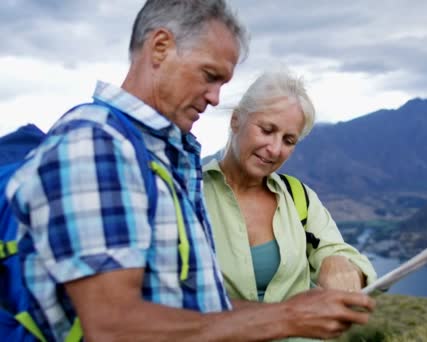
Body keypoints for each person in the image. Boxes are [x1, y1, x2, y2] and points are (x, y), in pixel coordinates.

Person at [6, 1, 374, 341]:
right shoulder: (97, 144)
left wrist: (292, 312)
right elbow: (113, 327)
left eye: (222, 84)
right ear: (161, 47)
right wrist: (288, 318)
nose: (214, 97)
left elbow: (200, 307)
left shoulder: (163, 157)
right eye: (209, 75)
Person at [203, 69, 377, 305]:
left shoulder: (298, 198)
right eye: (267, 130)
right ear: (236, 120)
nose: (275, 149)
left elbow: (335, 250)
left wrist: (339, 263)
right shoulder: (189, 193)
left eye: (288, 140)